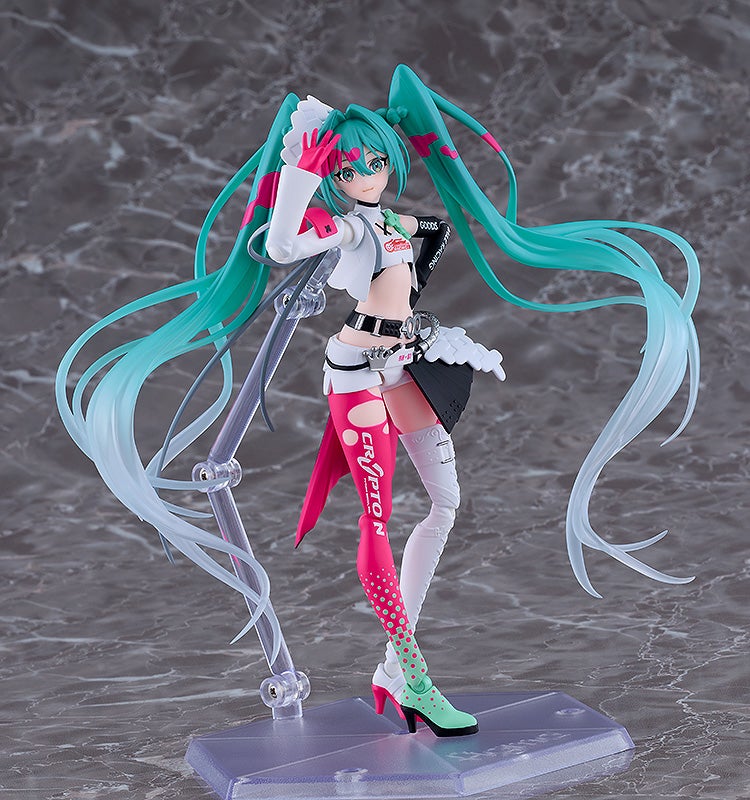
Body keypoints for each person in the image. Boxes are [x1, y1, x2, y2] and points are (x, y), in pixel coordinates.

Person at [56, 65, 700, 738]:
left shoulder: (390, 220)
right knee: (377, 522)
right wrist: (302, 171)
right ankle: (415, 676)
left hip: (402, 363)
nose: (367, 175)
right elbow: (280, 245)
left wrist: (421, 224)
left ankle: (394, 666)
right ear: (333, 174)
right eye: (351, 168)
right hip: (358, 374)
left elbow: (430, 235)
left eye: (377, 163)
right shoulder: (346, 229)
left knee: (446, 504)